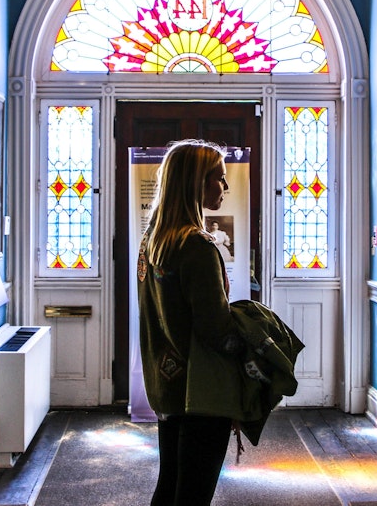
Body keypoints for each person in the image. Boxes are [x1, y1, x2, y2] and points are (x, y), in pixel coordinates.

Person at [136, 139, 244, 506]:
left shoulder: (153, 239)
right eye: (218, 179)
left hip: (167, 383)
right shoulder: (197, 245)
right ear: (195, 183)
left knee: (170, 485)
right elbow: (216, 329)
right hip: (202, 389)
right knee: (194, 492)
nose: (225, 187)